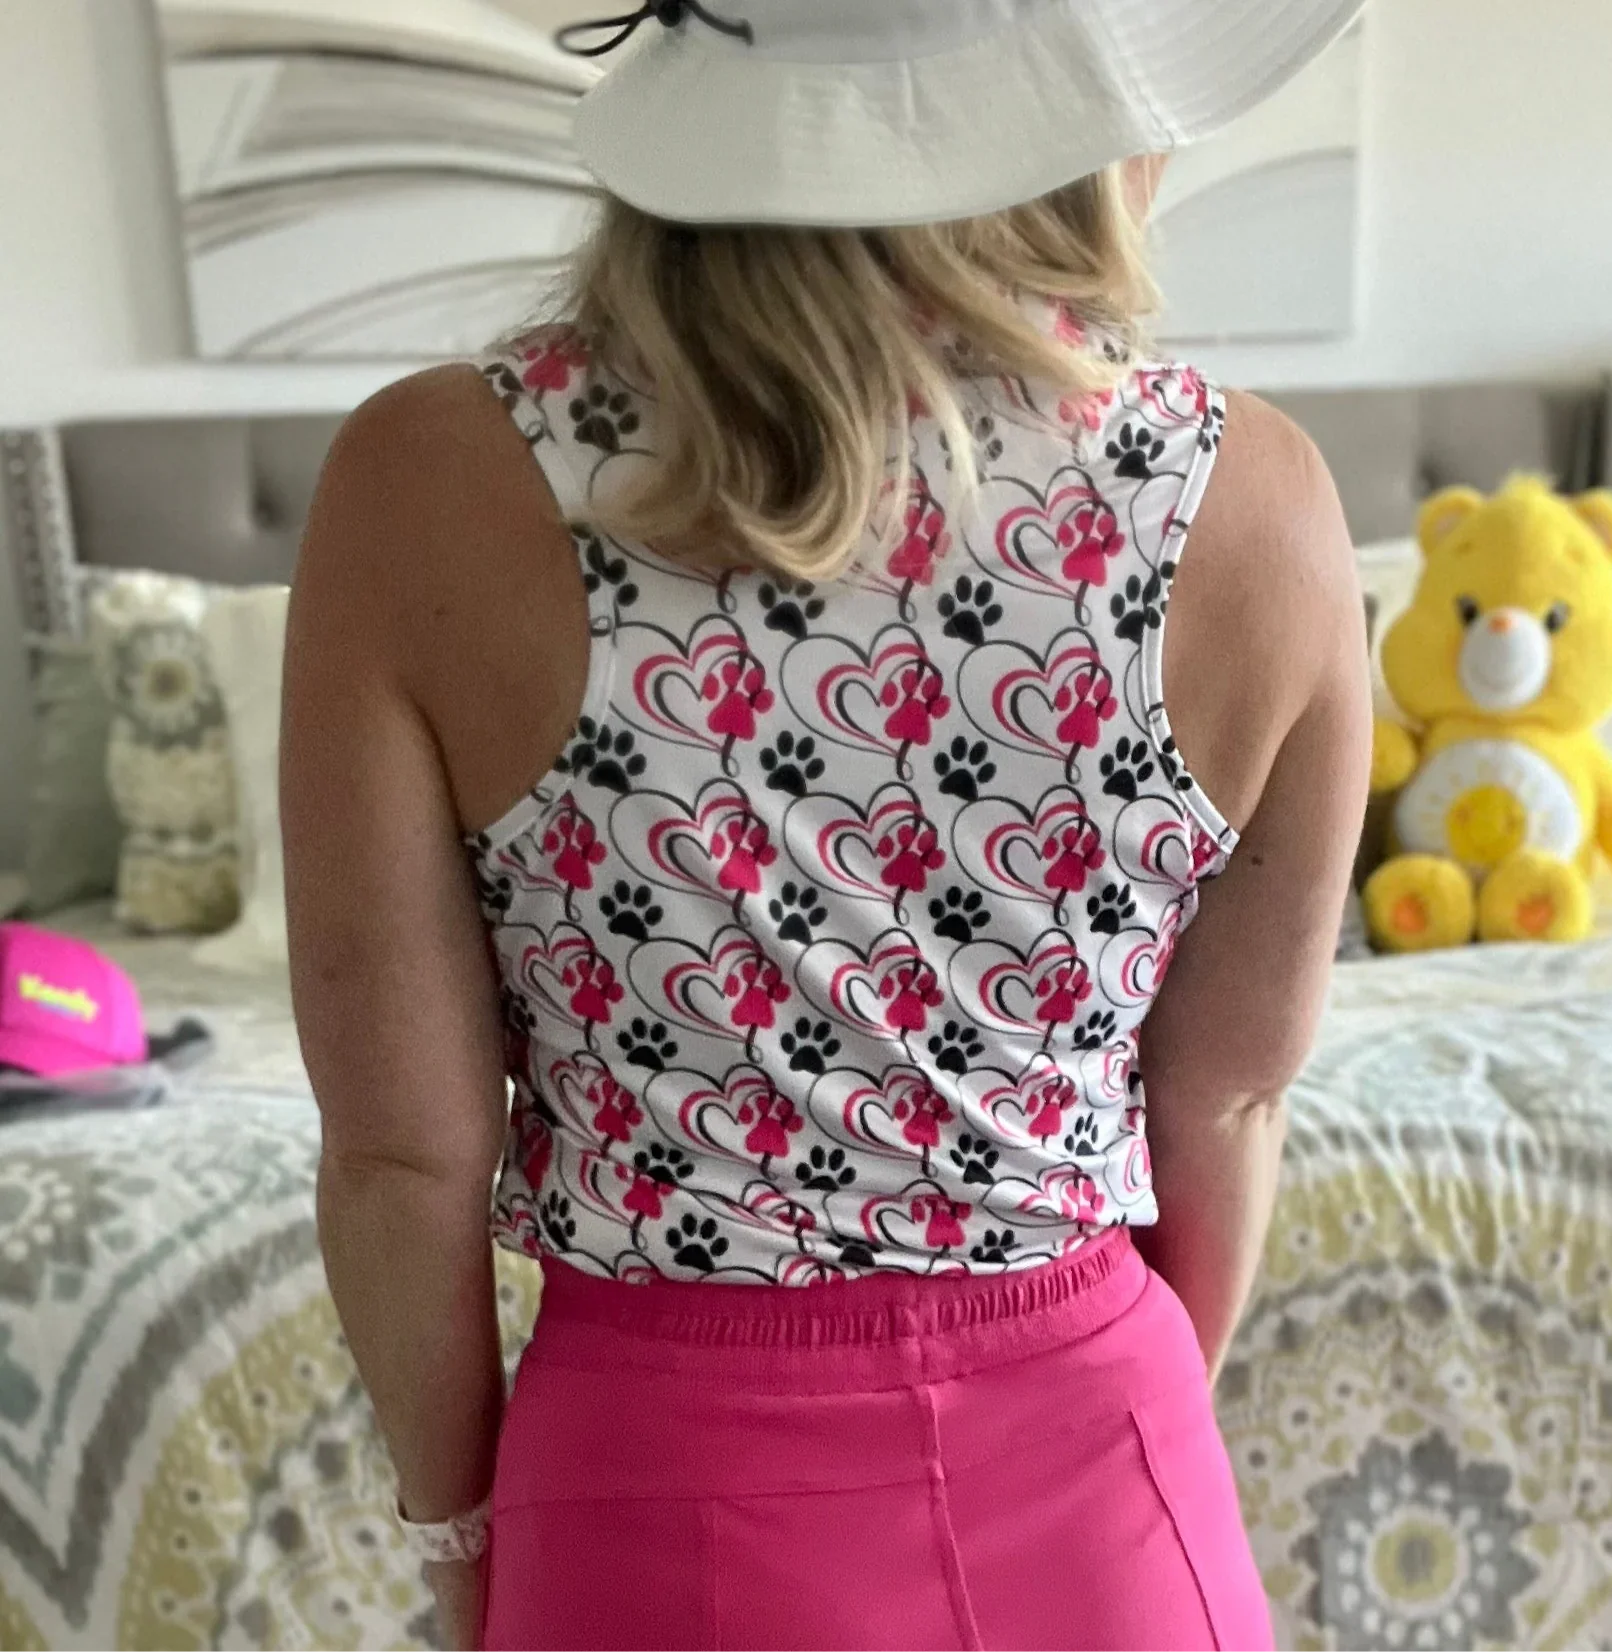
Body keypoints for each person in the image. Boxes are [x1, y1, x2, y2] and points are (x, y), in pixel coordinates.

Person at [281, 1, 1371, 1647]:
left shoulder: (430, 484)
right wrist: (1118, 1421)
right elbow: (1222, 1104)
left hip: (650, 1480)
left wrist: (462, 1543)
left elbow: (404, 1154)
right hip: (1108, 1475)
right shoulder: (1263, 509)